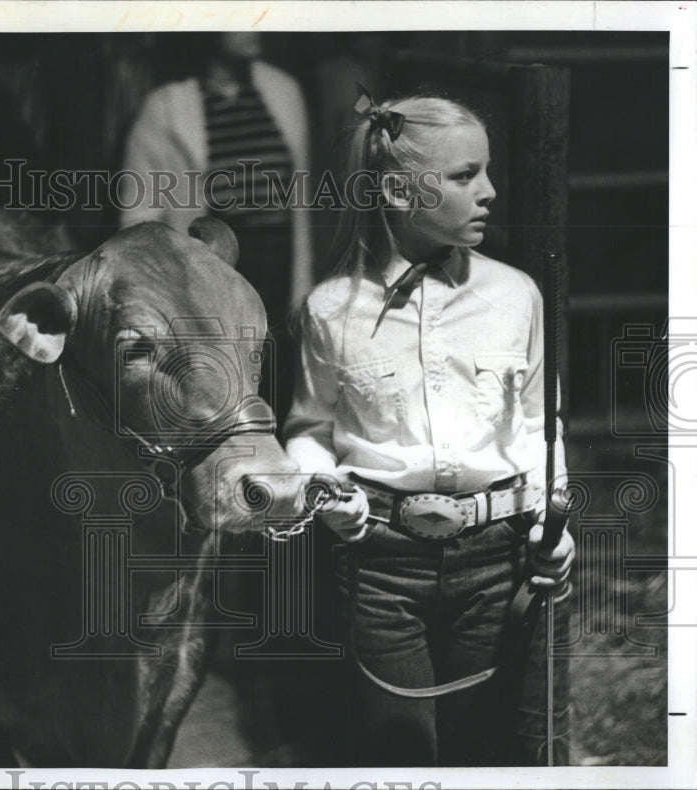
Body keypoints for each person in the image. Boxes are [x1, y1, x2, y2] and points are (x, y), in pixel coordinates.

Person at [283, 92, 576, 766]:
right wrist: (325, 494)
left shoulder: (516, 296)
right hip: (382, 566)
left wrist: (552, 524)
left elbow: (537, 425)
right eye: (464, 175)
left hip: (496, 561)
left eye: (487, 171)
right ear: (396, 188)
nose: (490, 192)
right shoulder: (332, 309)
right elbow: (307, 430)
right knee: (400, 749)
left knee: (484, 746)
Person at [120, 32, 313, 424]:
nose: (255, 24)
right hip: (216, 269)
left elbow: (302, 200)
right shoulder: (165, 108)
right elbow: (137, 216)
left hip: (278, 270)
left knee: (280, 394)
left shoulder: (283, 90)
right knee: (221, 399)